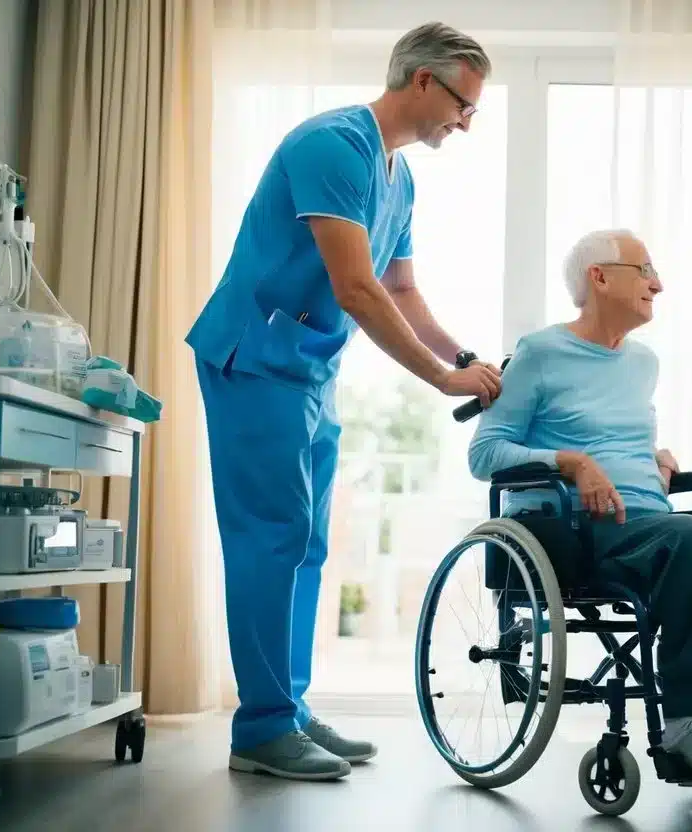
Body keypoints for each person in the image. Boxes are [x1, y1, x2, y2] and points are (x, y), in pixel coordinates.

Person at [186, 22, 504, 782]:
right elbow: (354, 287)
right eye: (463, 104)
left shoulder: (401, 175)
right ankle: (261, 726)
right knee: (271, 534)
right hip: (254, 355)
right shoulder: (333, 146)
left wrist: (463, 356)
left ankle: (286, 710)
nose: (465, 123)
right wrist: (438, 380)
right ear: (422, 81)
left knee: (306, 539)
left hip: (307, 369)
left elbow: (400, 289)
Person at [466, 229, 692, 774]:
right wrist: (569, 462)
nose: (657, 284)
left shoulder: (643, 362)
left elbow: (617, 436)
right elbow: (485, 453)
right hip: (577, 531)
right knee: (688, 536)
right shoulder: (541, 353)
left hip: (651, 522)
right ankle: (685, 722)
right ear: (599, 277)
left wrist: (656, 461)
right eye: (645, 270)